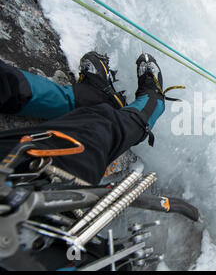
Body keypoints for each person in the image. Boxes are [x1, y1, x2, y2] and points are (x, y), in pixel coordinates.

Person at [0, 51, 169, 186]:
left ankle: (85, 97)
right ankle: (153, 103)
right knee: (96, 132)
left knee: (7, 83)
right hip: (31, 181)